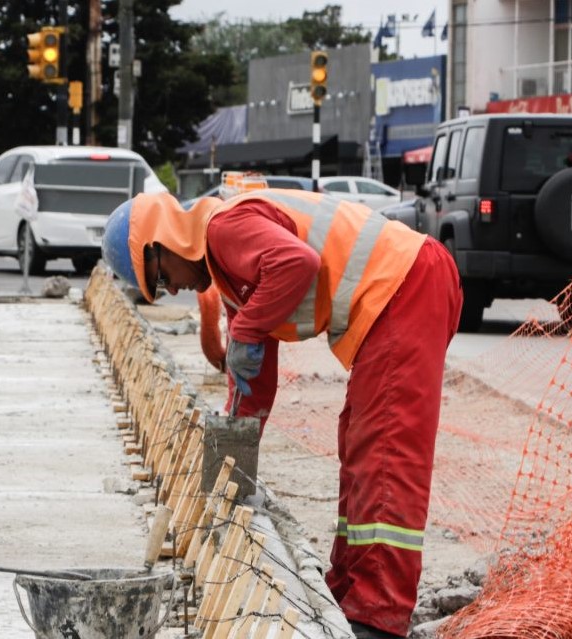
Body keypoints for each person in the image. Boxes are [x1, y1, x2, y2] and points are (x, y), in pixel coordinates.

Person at [100, 190, 462, 638]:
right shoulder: (230, 273)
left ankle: (378, 616)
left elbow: (298, 263)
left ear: (163, 240)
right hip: (399, 291)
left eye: (159, 278)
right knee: (358, 441)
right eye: (158, 291)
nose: (170, 289)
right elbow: (253, 381)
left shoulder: (224, 229)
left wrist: (248, 329)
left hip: (407, 284)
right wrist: (229, 457)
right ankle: (349, 590)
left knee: (386, 449)